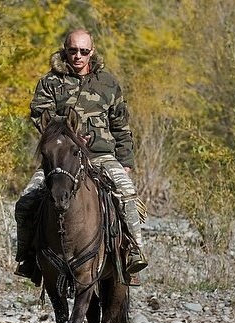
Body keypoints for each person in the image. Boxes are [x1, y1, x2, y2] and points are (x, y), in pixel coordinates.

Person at [14, 28, 148, 286]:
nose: (78, 55)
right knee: (25, 202)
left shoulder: (108, 83)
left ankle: (133, 254)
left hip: (101, 156)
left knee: (128, 196)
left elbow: (121, 125)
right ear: (65, 50)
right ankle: (28, 258)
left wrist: (126, 162)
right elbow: (40, 117)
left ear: (92, 51)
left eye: (84, 51)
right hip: (62, 159)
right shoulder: (49, 83)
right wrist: (68, 138)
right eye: (73, 50)